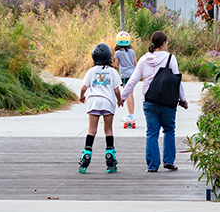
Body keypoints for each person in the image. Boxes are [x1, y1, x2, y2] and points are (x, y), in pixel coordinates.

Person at [120, 31, 188, 172]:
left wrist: (122, 97)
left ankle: (152, 165)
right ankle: (169, 161)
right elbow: (177, 81)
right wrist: (183, 99)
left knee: (152, 132)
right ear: (163, 44)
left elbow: (133, 80)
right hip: (168, 101)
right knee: (169, 130)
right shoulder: (170, 58)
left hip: (149, 100)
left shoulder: (144, 59)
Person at [78, 43, 123, 174]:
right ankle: (110, 157)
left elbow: (84, 88)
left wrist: (81, 97)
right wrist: (119, 101)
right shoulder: (113, 72)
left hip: (93, 102)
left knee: (92, 130)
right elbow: (117, 90)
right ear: (109, 57)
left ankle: (86, 155)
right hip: (108, 102)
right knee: (108, 130)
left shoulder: (91, 71)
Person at [113, 31, 138, 129]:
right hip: (133, 75)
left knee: (127, 95)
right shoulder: (132, 51)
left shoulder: (118, 53)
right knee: (131, 95)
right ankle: (132, 114)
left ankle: (130, 115)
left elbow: (116, 64)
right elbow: (136, 63)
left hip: (125, 76)